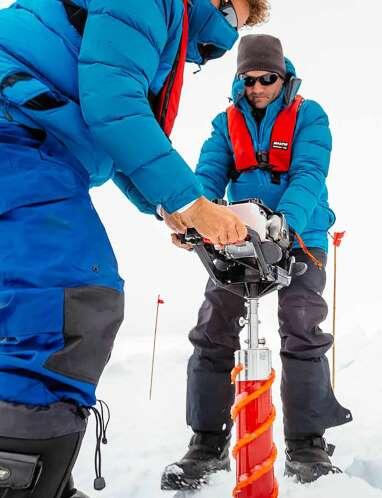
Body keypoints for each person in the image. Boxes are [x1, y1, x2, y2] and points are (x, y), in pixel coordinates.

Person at [0, 1, 269, 496]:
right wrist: (190, 201)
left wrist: (172, 209)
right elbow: (114, 107)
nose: (230, 26)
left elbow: (120, 124)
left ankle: (35, 474)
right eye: (232, 10)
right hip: (15, 131)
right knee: (67, 298)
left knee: (30, 306)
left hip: (27, 133)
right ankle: (19, 480)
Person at [161, 34, 352, 490]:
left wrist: (286, 221)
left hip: (299, 235)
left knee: (301, 327)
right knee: (212, 330)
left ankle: (307, 445)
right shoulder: (225, 123)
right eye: (249, 80)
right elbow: (208, 175)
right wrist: (193, 216)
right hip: (239, 236)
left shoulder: (310, 115)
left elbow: (309, 173)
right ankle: (206, 444)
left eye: (268, 78)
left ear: (283, 77)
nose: (258, 87)